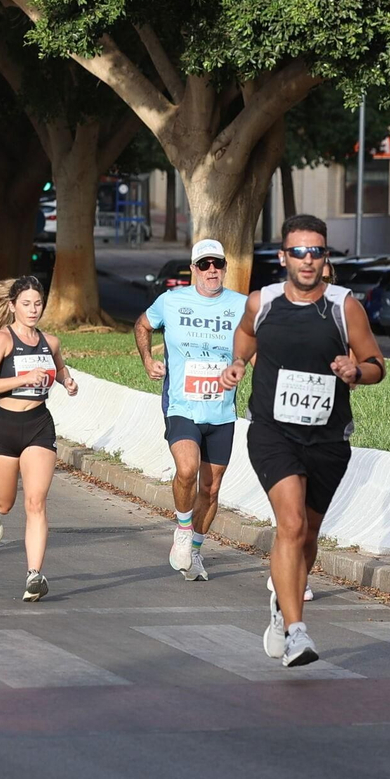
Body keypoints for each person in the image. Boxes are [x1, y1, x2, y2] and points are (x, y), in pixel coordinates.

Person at [221, 214, 385, 667]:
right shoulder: (263, 302)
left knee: (308, 534)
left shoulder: (343, 306)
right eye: (298, 252)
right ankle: (296, 631)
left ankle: (282, 602)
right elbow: (245, 334)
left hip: (328, 438)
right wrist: (238, 362)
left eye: (316, 251)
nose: (307, 260)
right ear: (283, 257)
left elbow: (376, 364)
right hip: (272, 432)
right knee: (290, 524)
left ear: (325, 257)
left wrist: (356, 371)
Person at [134, 238, 246, 582]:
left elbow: (256, 344)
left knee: (211, 489)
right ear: (194, 269)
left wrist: (243, 362)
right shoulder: (171, 301)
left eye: (218, 264)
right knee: (187, 469)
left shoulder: (242, 305)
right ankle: (183, 530)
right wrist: (148, 360)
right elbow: (142, 325)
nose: (212, 270)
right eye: (205, 264)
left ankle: (195, 550)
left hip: (222, 410)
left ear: (225, 268)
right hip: (181, 404)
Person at [0, 276, 77, 600]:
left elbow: (59, 369)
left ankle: (34, 575)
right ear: (12, 306)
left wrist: (67, 381)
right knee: (5, 502)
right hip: (4, 427)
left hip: (38, 426)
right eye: (26, 304)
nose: (33, 310)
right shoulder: (3, 339)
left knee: (36, 502)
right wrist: (23, 378)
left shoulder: (51, 342)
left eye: (37, 304)